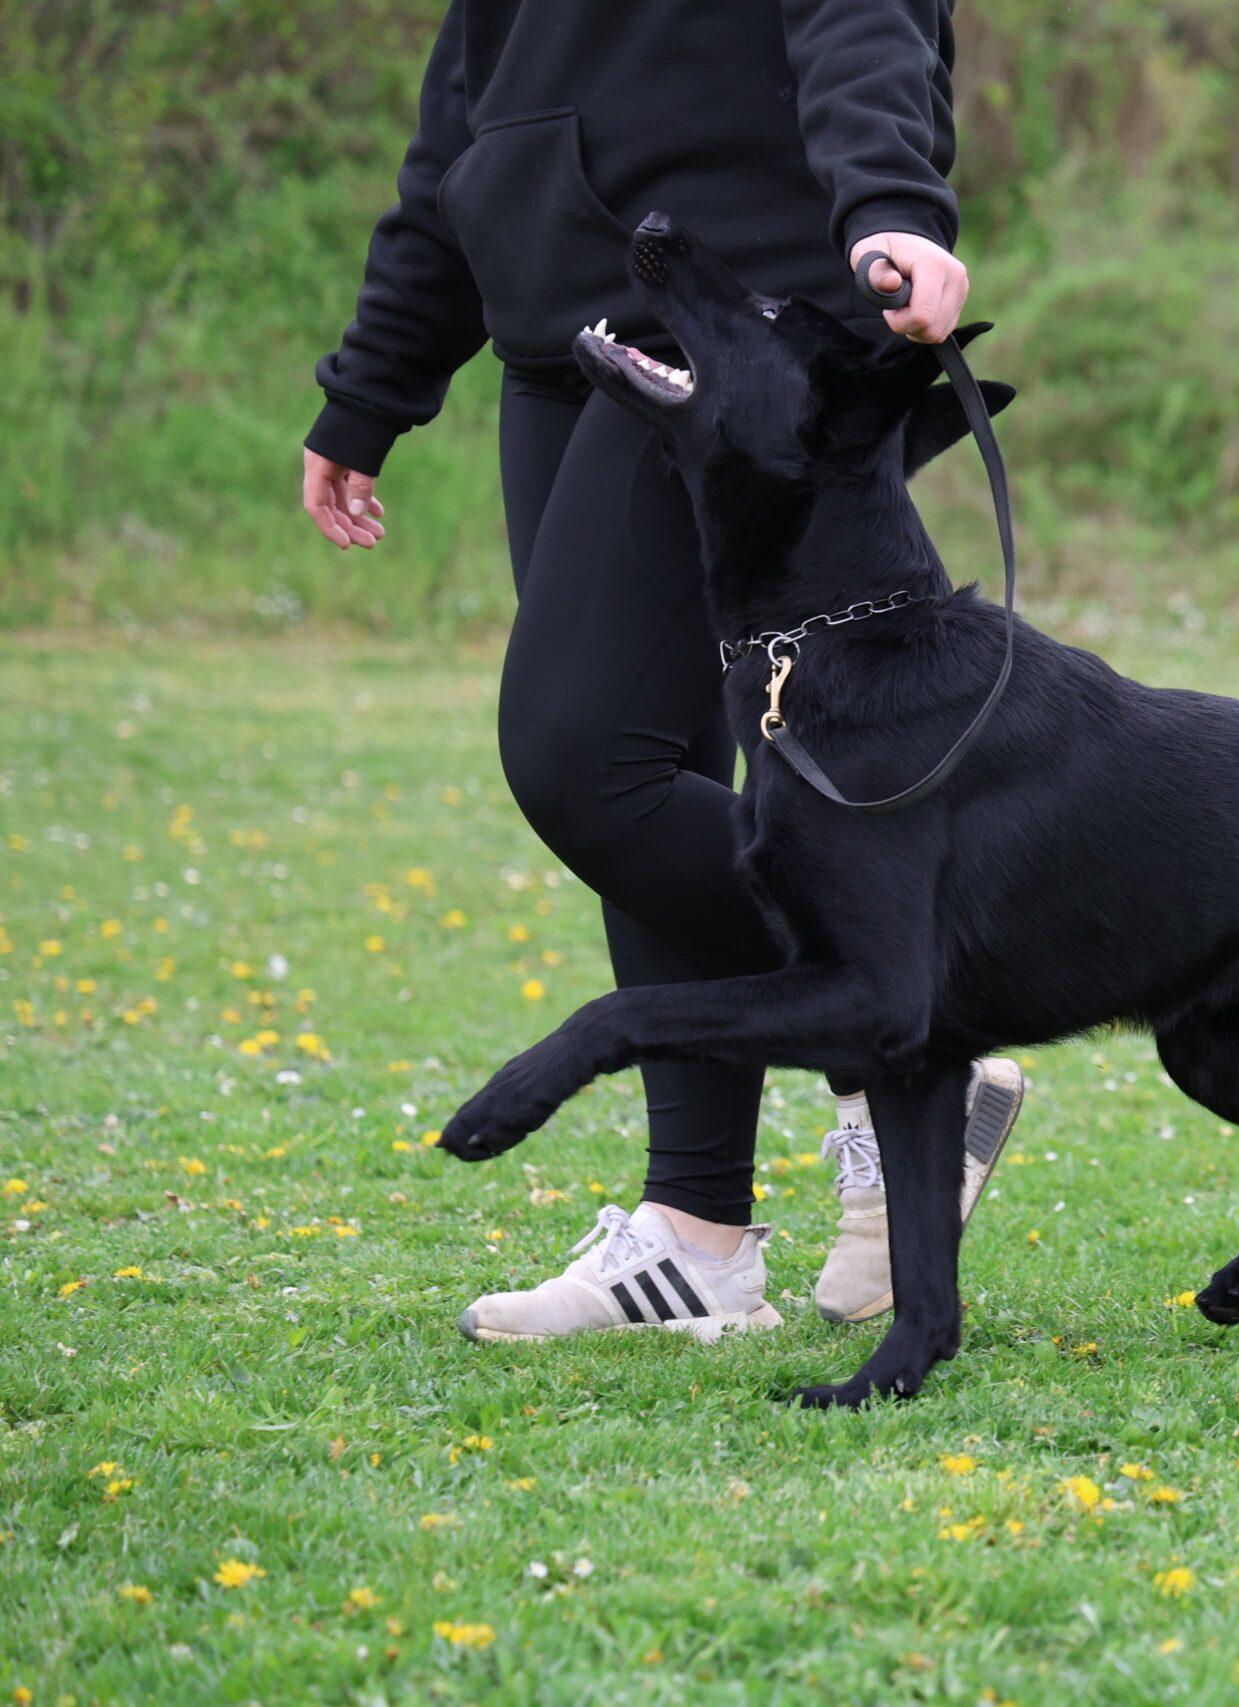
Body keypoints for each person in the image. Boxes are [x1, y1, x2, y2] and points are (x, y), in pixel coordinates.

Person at [298, 0, 1025, 1342]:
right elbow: (469, 118)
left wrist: (888, 202)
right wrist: (377, 376)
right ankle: (697, 1233)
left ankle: (906, 1025)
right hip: (558, 335)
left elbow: (863, 23)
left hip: (741, 317)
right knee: (660, 766)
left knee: (587, 763)